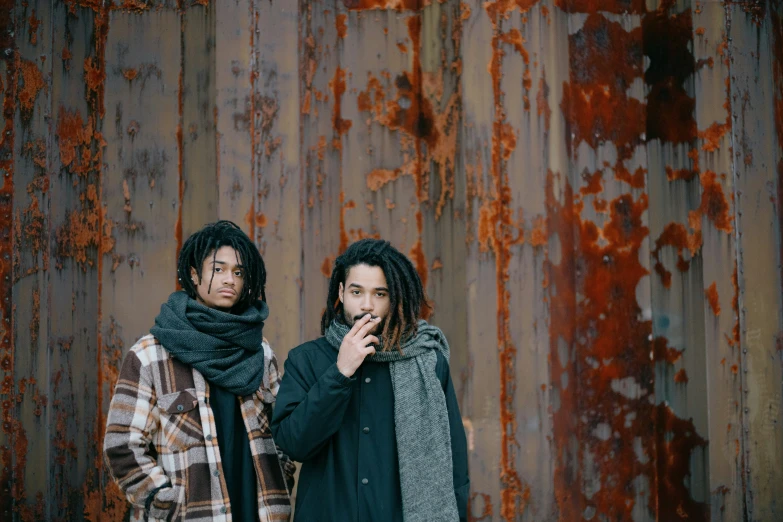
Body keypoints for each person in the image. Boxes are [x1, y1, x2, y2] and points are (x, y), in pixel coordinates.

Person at [104, 220, 295, 522]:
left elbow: (283, 431)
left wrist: (278, 480)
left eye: (238, 272)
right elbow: (122, 445)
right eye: (218, 269)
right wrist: (165, 502)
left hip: (258, 512)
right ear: (194, 275)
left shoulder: (260, 351)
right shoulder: (151, 355)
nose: (229, 279)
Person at [271, 238, 469, 522]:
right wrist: (340, 373)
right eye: (356, 291)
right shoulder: (307, 360)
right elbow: (293, 443)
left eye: (380, 294)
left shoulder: (428, 362)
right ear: (341, 291)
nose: (367, 305)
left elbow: (455, 459)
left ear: (395, 297)